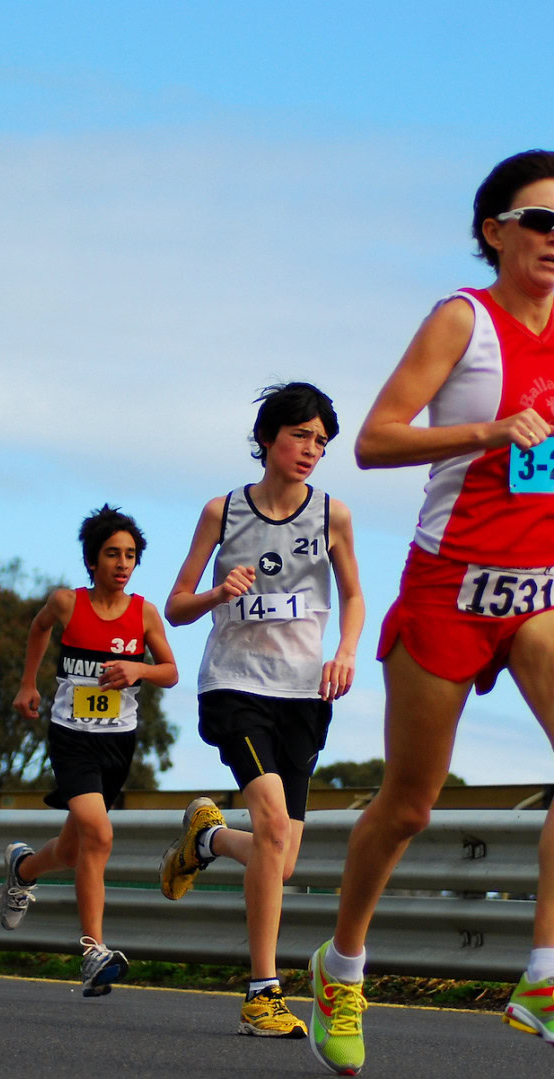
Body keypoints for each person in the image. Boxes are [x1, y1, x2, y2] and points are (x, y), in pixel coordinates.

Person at [307, 150, 554, 1075]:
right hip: (451, 583)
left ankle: (544, 978)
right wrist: (485, 431)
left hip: (548, 579)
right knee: (409, 805)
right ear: (493, 230)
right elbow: (373, 441)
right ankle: (341, 966)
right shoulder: (460, 320)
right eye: (539, 221)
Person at [159, 382, 365, 1037]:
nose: (311, 450)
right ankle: (261, 993)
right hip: (235, 686)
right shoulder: (222, 512)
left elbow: (354, 596)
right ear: (268, 438)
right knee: (273, 824)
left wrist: (346, 651)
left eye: (321, 442)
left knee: (281, 855)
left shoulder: (333, 515)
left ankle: (207, 839)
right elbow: (175, 606)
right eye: (300, 435)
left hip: (303, 694)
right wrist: (218, 592)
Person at [0, 505, 179, 996]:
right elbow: (39, 628)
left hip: (118, 741)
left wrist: (139, 669)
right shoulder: (66, 603)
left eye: (131, 555)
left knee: (74, 849)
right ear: (92, 560)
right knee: (99, 833)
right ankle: (94, 952)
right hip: (71, 737)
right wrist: (28, 683)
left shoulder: (143, 613)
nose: (123, 564)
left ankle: (23, 870)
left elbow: (170, 671)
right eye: (113, 554)